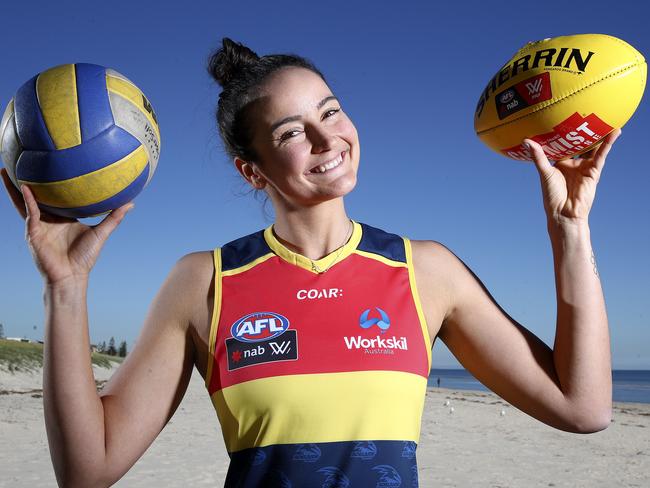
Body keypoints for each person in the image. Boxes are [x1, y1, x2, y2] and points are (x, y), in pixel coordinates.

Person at [1, 38, 617, 487]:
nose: (328, 139)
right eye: (293, 132)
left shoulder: (425, 271)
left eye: (330, 111)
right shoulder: (204, 282)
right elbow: (87, 470)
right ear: (252, 170)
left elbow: (582, 408)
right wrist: (67, 288)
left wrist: (569, 231)